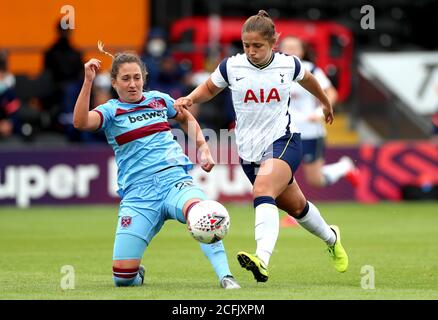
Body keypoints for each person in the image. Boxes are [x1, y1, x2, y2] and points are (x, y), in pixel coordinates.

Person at [175, 10, 349, 283]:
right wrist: (190, 98)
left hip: (284, 140)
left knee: (262, 189)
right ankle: (331, 237)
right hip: (249, 151)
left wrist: (325, 103)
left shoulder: (287, 64)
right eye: (247, 46)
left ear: (272, 43)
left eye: (258, 46)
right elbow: (209, 88)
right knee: (297, 207)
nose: (251, 52)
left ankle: (262, 260)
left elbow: (310, 80)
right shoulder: (231, 66)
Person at [72, 42, 240, 289]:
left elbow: (185, 116)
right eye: (126, 79)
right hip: (138, 196)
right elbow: (80, 122)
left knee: (202, 214)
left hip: (175, 181)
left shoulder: (158, 100)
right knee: (122, 279)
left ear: (144, 78)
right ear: (114, 83)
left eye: (137, 77)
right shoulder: (110, 111)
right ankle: (135, 273)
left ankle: (226, 277)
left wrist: (203, 147)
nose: (132, 84)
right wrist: (88, 82)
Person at [279, 36, 360, 188]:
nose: (290, 51)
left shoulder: (311, 70)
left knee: (316, 181)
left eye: (294, 48)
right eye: (287, 48)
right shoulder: (272, 71)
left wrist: (319, 112)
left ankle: (344, 167)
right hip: (283, 132)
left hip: (310, 131)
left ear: (302, 52)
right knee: (279, 176)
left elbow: (331, 93)